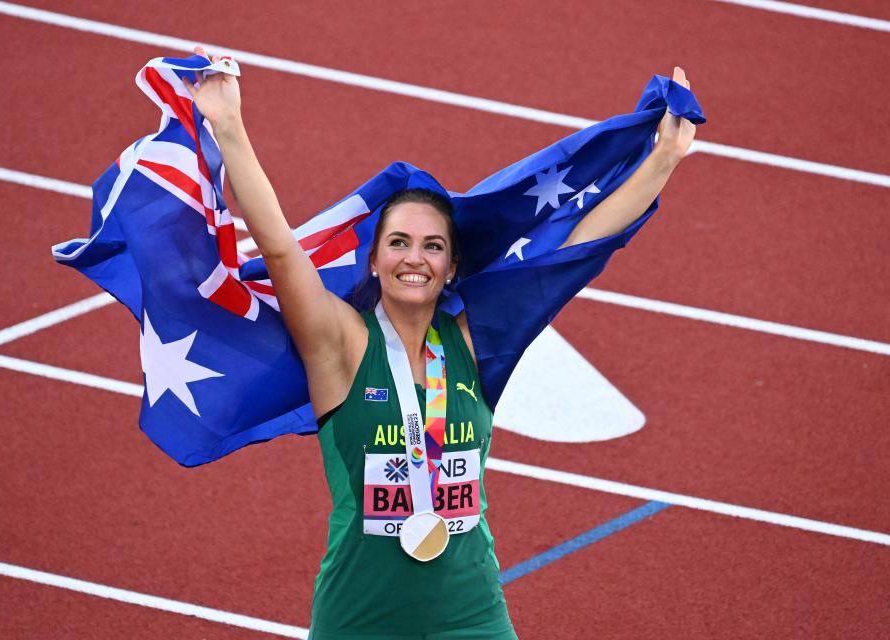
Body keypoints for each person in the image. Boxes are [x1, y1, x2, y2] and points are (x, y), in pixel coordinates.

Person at [183, 45, 695, 640]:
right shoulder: (340, 344)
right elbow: (278, 248)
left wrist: (663, 159)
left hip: (471, 614)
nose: (414, 259)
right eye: (398, 243)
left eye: (432, 246)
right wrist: (229, 125)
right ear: (373, 261)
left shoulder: (476, 343)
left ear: (452, 267)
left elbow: (577, 250)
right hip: (360, 617)